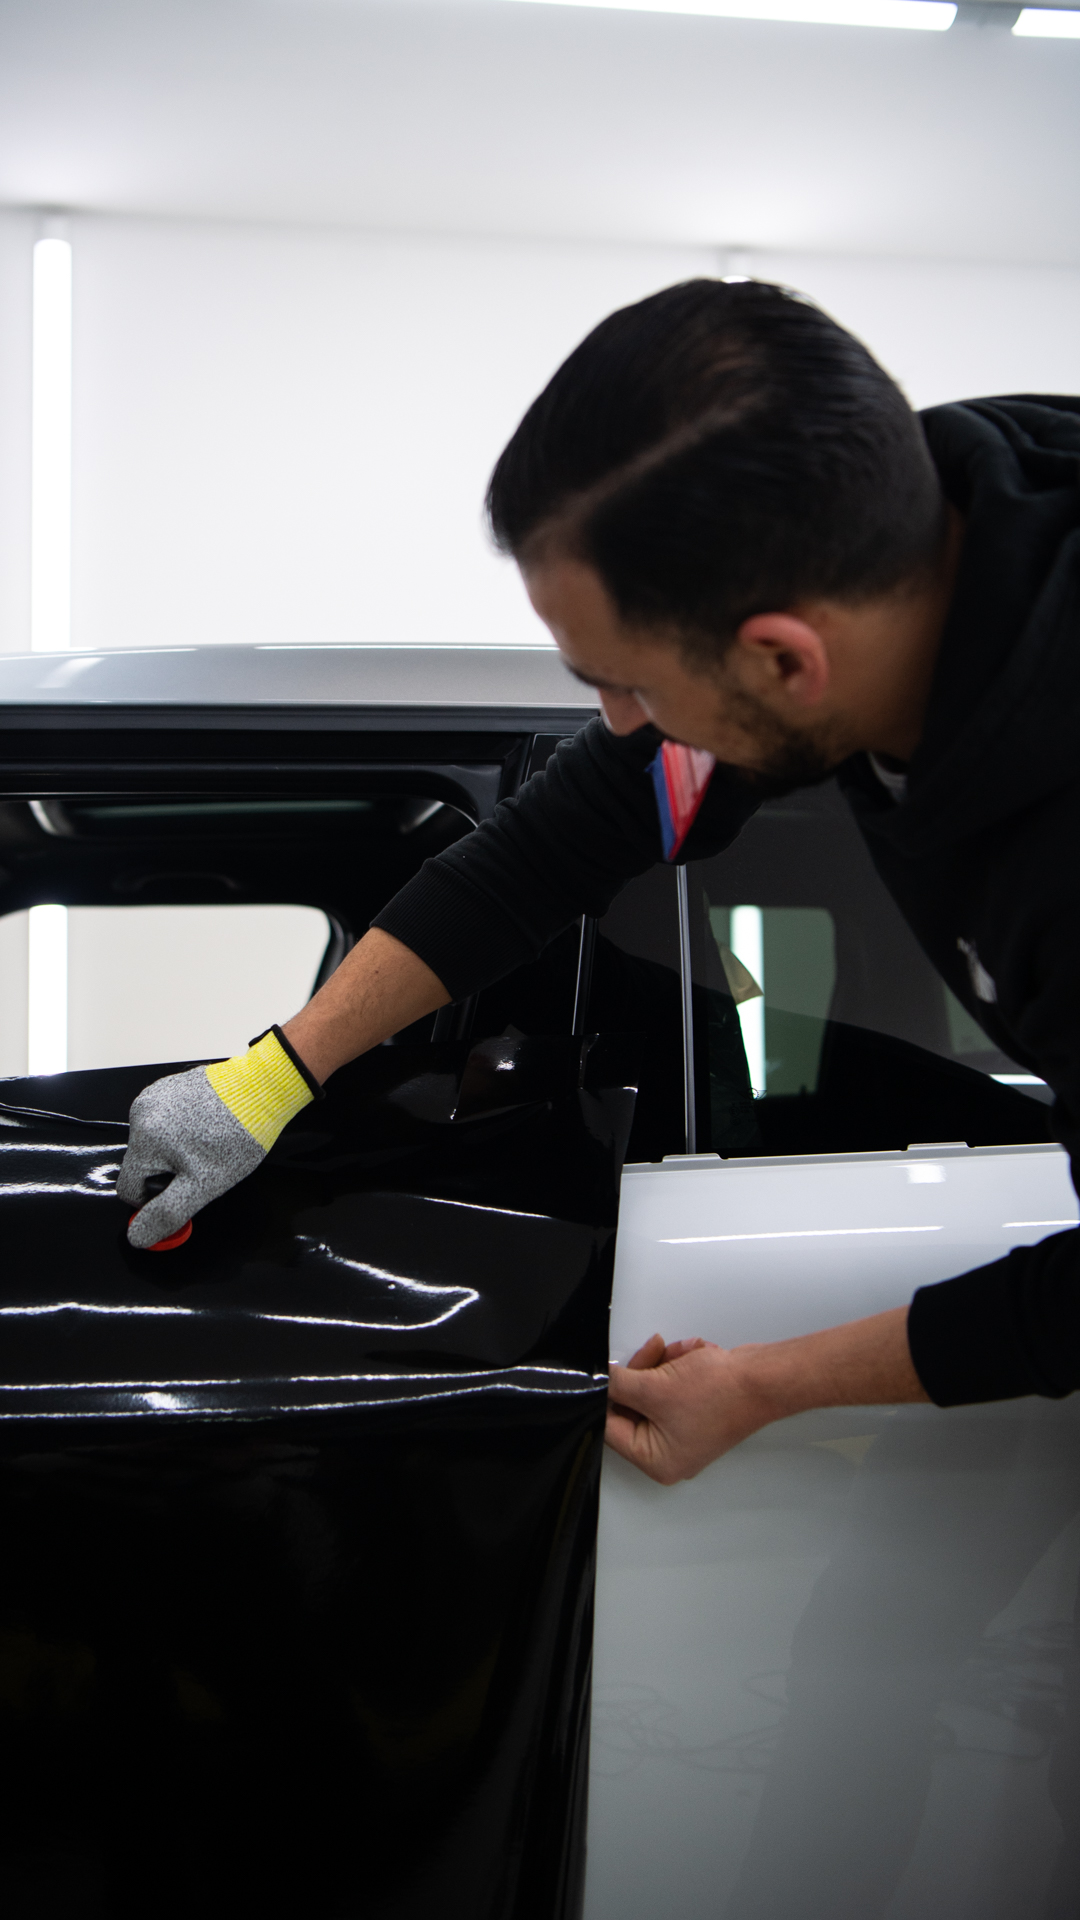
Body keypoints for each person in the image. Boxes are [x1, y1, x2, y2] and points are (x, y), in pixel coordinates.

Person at [117, 278, 1080, 1482]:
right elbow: (553, 844)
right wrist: (268, 1079)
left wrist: (762, 1384)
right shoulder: (915, 511)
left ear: (786, 662)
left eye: (628, 686)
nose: (619, 725)